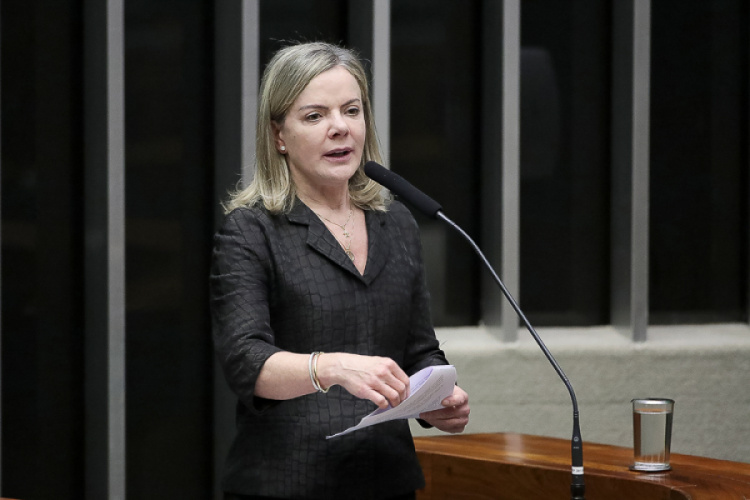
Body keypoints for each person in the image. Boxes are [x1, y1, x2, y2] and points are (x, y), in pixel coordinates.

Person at [210, 41, 470, 500]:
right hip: (287, 483)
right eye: (314, 116)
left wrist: (438, 400)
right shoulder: (251, 230)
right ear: (279, 136)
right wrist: (331, 367)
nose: (339, 128)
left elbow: (420, 350)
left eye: (351, 111)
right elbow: (246, 361)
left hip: (386, 480)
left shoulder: (397, 224)